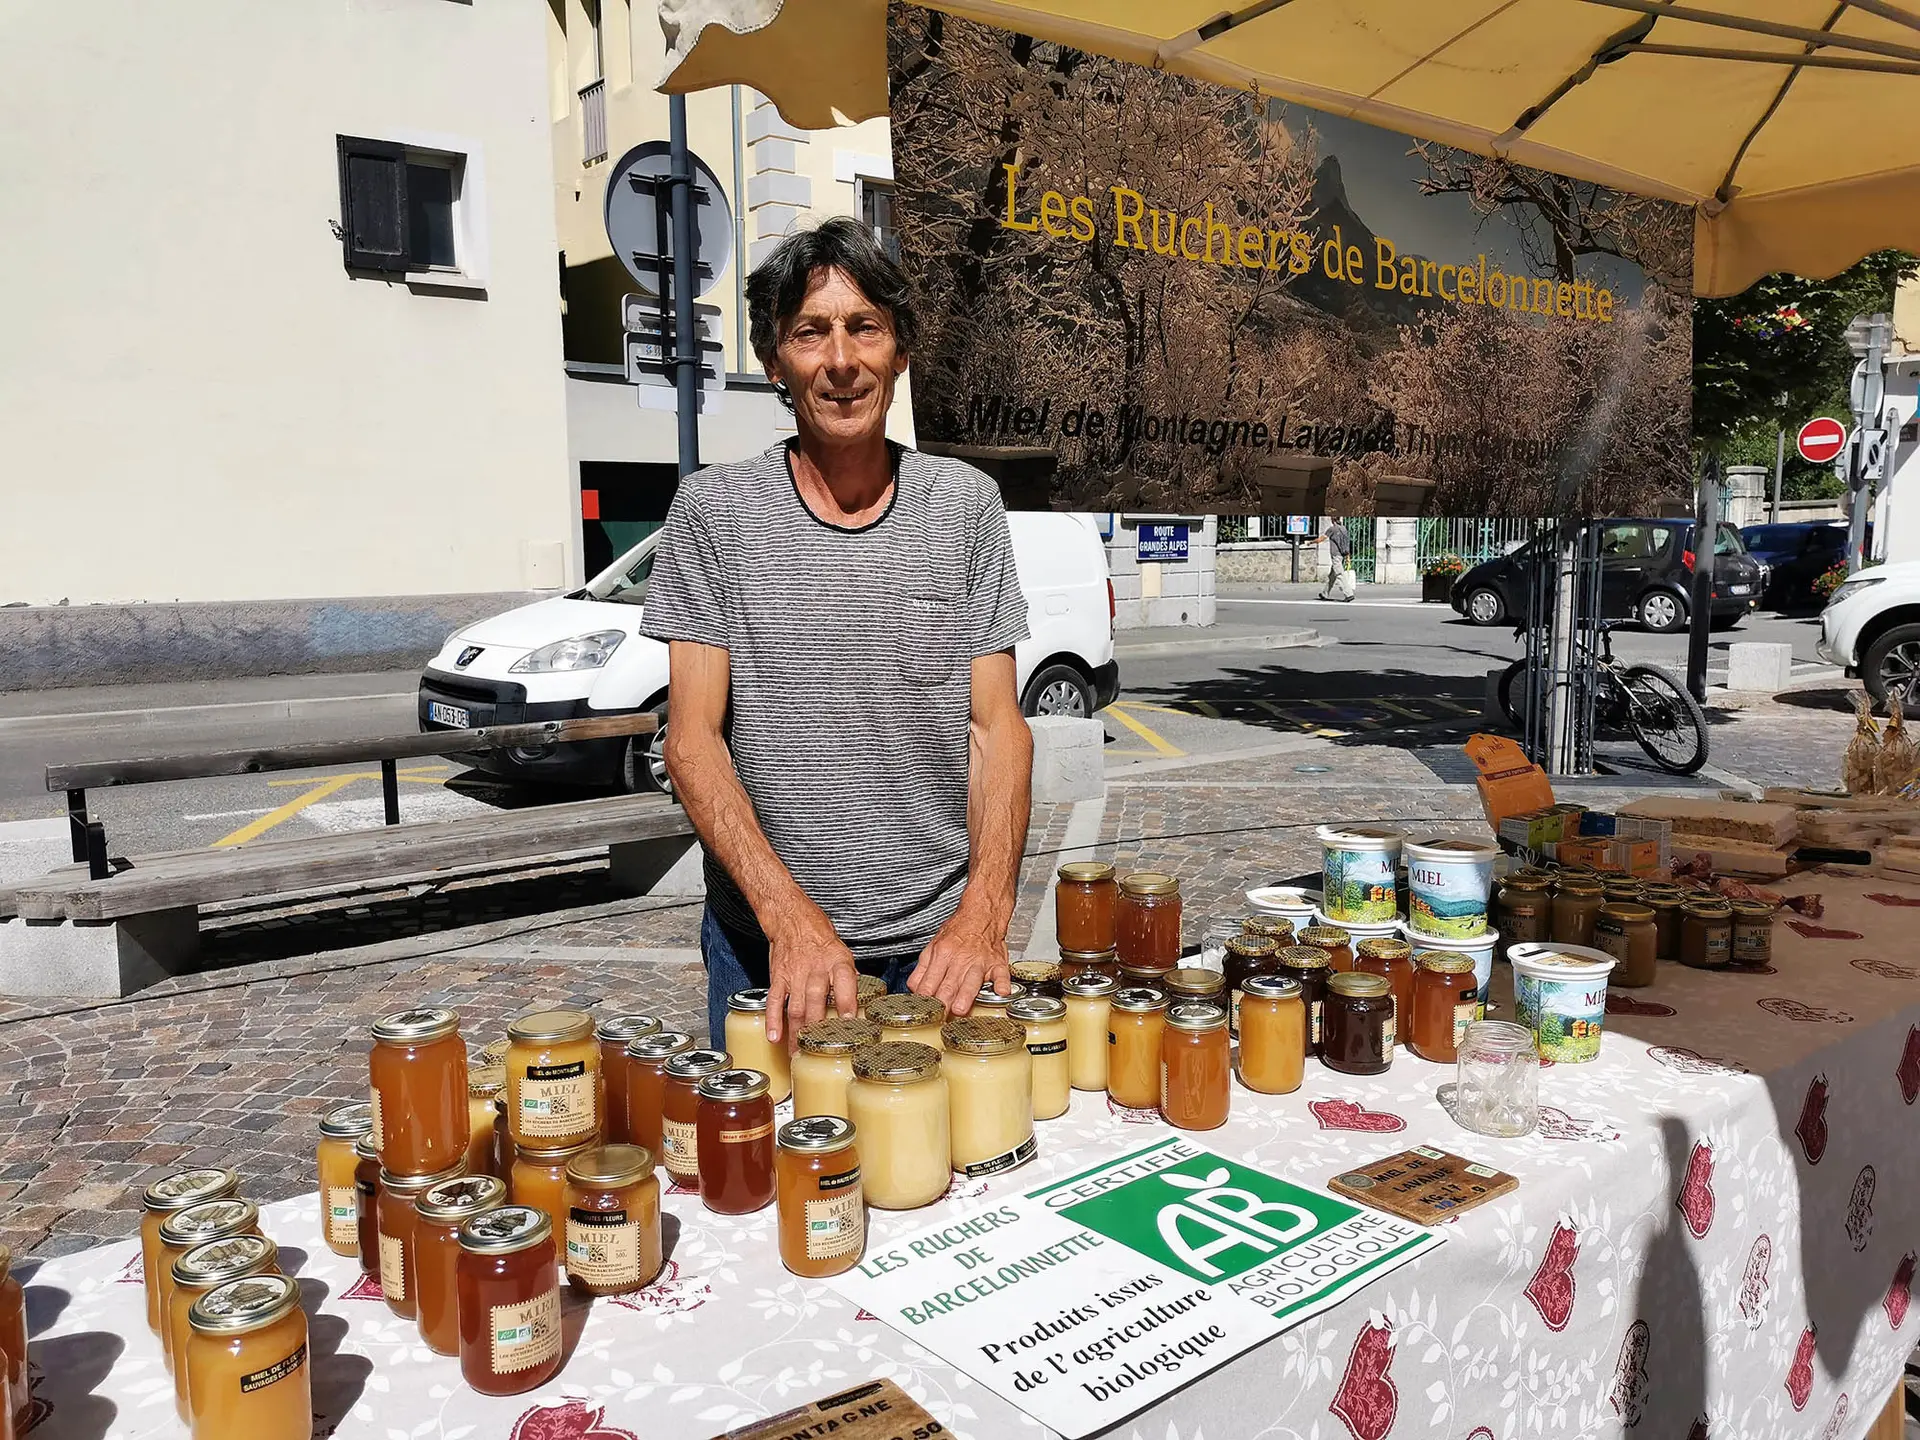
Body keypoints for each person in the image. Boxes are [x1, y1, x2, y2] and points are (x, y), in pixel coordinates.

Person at [641, 217, 1035, 1048]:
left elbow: (995, 730)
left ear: (900, 350)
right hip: (770, 958)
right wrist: (789, 919)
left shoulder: (963, 507)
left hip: (940, 960)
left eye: (865, 327)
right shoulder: (715, 513)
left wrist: (984, 914)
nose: (842, 360)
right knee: (786, 1171)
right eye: (810, 332)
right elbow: (693, 742)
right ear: (774, 360)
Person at [1321, 519, 1355, 602]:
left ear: (1333, 520)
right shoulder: (1343, 528)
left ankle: (1348, 594)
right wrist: (1347, 556)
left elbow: (1322, 538)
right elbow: (1346, 542)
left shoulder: (1332, 529)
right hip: (1342, 554)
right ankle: (1324, 593)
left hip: (1336, 555)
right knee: (1332, 576)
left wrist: (1311, 542)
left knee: (1340, 574)